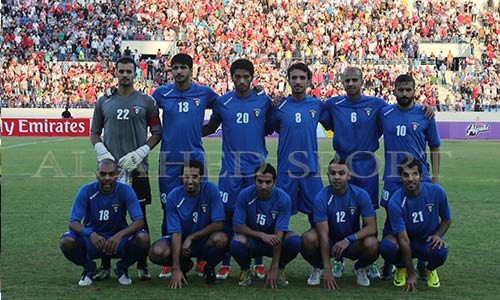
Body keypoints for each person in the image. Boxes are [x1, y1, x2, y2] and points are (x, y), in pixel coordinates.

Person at [323, 67, 434, 279]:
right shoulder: (332, 103)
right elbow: (312, 110)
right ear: (342, 82)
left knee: (368, 212)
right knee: (340, 211)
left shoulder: (377, 105)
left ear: (362, 82)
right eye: (347, 80)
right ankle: (337, 259)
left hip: (367, 164)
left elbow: (402, 111)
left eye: (355, 80)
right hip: (343, 161)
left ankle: (370, 259)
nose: (351, 84)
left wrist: (424, 108)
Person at [90, 56, 162, 281]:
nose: (125, 75)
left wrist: (141, 152)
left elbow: (157, 132)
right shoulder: (104, 101)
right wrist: (104, 153)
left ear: (135, 74)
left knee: (140, 218)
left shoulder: (147, 101)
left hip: (138, 170)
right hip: (110, 172)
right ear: (116, 72)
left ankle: (142, 265)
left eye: (129, 71)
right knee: (107, 219)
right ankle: (105, 266)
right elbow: (94, 133)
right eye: (121, 71)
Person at [203, 58, 272, 280]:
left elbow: (274, 123)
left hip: (257, 171)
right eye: (237, 77)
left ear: (252, 78)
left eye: (246, 77)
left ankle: (259, 263)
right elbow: (211, 126)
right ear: (231, 78)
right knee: (229, 215)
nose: (242, 81)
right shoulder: (223, 102)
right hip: (230, 170)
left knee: (256, 215)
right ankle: (225, 263)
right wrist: (183, 132)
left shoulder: (263, 101)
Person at [151, 53, 218, 278]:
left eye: (183, 68)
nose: (179, 72)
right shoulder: (161, 93)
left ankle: (201, 258)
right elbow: (147, 111)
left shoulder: (204, 92)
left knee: (202, 207)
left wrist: (206, 131)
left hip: (195, 160)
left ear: (191, 70)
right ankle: (171, 260)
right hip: (168, 161)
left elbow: (223, 109)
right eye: (175, 68)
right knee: (167, 207)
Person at [378, 74, 441, 281]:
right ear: (394, 90)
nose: (404, 94)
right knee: (391, 222)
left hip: (419, 177)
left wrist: (435, 178)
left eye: (408, 90)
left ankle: (423, 263)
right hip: (393, 179)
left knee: (425, 220)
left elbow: (435, 146)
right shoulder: (385, 113)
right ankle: (390, 262)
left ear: (414, 91)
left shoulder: (425, 115)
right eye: (400, 89)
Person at [59, 159, 150, 286]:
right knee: (66, 241)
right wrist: (90, 234)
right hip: (93, 241)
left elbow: (139, 221)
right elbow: (73, 222)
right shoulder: (86, 190)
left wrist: (120, 235)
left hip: (117, 241)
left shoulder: (125, 190)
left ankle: (122, 267)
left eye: (111, 174)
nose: (107, 178)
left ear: (117, 174)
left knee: (143, 238)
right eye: (103, 174)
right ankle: (89, 268)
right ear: (97, 174)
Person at [300, 158, 379, 288]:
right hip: (330, 242)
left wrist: (349, 239)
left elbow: (372, 227)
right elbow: (323, 235)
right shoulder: (321, 197)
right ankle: (318, 267)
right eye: (332, 173)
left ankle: (359, 268)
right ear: (328, 175)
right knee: (308, 238)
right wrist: (327, 267)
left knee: (373, 244)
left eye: (341, 173)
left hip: (352, 243)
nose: (336, 177)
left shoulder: (360, 194)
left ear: (349, 175)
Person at [148, 160, 228, 287]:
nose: (190, 181)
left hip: (203, 240)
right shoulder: (174, 197)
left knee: (222, 239)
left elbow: (219, 224)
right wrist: (175, 268)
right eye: (186, 177)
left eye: (194, 177)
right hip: (181, 242)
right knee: (156, 252)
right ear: (181, 178)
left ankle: (209, 268)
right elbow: (176, 232)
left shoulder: (211, 190)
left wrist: (192, 237)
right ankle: (183, 265)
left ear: (201, 177)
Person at [267, 62, 329, 222]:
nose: (298, 81)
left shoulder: (317, 105)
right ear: (288, 80)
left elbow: (334, 125)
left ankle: (322, 247)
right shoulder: (279, 106)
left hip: (311, 169)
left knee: (318, 218)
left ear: (309, 81)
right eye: (294, 78)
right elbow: (267, 129)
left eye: (302, 78)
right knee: (280, 219)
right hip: (286, 170)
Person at [379, 157, 451, 291]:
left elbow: (447, 218)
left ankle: (430, 269)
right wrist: (411, 274)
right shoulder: (395, 201)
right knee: (386, 246)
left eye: (414, 174)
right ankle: (402, 267)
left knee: (441, 250)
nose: (410, 178)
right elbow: (404, 240)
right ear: (401, 178)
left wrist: (438, 235)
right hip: (405, 242)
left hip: (426, 242)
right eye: (406, 175)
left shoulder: (436, 192)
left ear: (421, 176)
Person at [230, 163, 301, 288]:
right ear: (254, 180)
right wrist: (261, 235)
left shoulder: (283, 199)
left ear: (274, 182)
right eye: (260, 181)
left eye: (268, 182)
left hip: (273, 240)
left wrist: (273, 267)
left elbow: (279, 234)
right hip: (253, 240)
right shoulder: (244, 195)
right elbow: (237, 226)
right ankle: (245, 269)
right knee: (236, 242)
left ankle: (279, 268)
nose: (264, 186)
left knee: (294, 241)